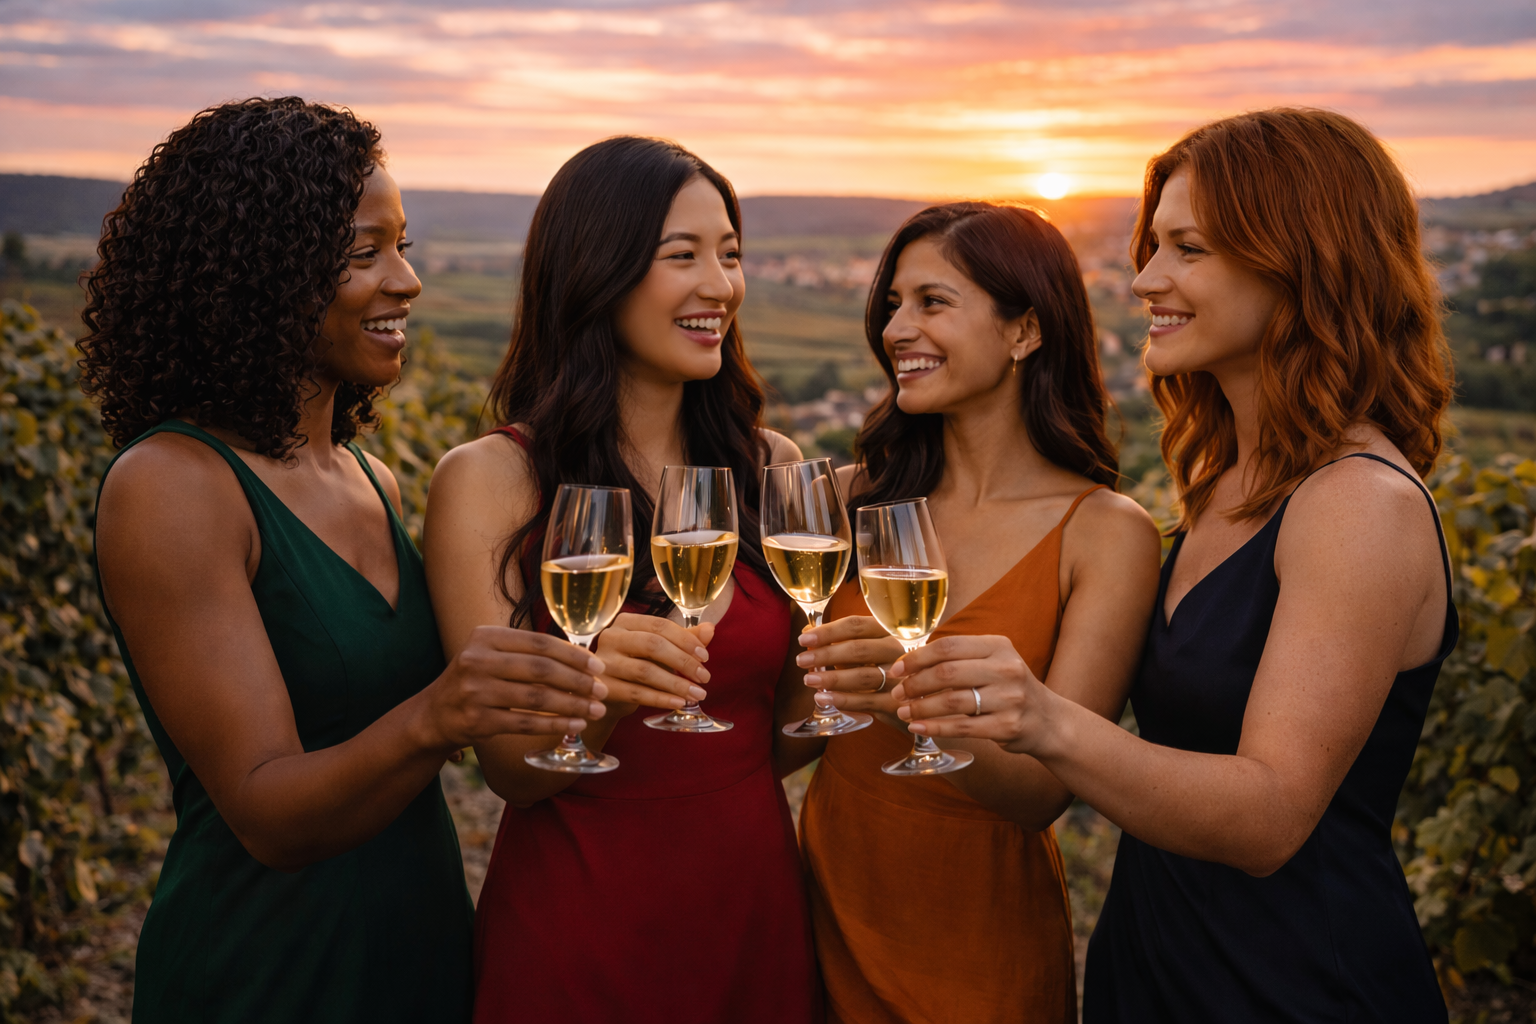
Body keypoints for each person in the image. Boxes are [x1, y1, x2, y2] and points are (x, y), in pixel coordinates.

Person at [893, 109, 1457, 1022]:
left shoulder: (1359, 504)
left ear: (1301, 258)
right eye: (1151, 246)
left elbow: (1270, 816)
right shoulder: (1229, 485)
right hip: (1157, 976)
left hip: (1296, 989)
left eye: (1187, 248)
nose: (1147, 278)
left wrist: (1043, 718)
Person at [83, 98, 609, 1024]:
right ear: (259, 273)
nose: (405, 281)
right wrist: (441, 714)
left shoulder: (374, 478)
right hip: (268, 972)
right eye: (364, 253)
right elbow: (267, 811)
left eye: (403, 246)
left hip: (417, 950)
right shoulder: (171, 485)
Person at [421, 136, 820, 1023]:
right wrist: (598, 687)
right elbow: (514, 772)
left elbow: (779, 738)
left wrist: (852, 682)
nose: (720, 285)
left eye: (731, 254)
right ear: (596, 271)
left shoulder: (771, 467)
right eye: (682, 256)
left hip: (752, 911)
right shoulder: (491, 481)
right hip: (579, 928)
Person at [785, 201, 1162, 1023]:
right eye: (892, 304)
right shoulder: (847, 501)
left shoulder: (1104, 533)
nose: (896, 329)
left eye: (932, 302)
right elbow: (790, 735)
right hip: (820, 918)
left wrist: (905, 692)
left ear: (1025, 332)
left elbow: (1039, 795)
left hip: (979, 949)